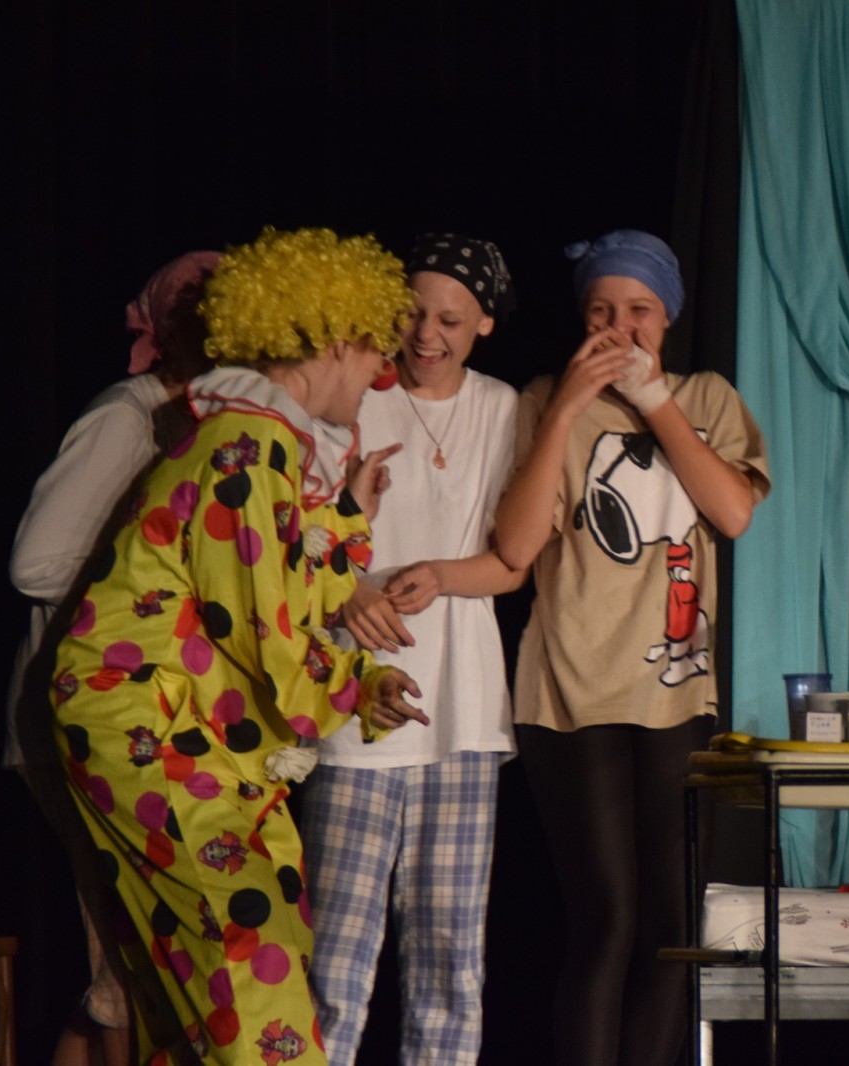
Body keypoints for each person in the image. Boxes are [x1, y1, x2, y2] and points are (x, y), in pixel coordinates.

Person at [49, 227, 429, 1065]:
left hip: (187, 721)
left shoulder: (258, 444)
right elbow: (265, 628)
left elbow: (281, 585)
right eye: (378, 350)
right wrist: (351, 683)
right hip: (145, 718)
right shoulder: (243, 448)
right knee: (249, 955)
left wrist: (357, 661)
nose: (384, 373)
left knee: (217, 971)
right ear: (339, 339)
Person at [494, 229, 770, 1066]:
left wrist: (655, 403)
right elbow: (515, 544)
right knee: (606, 921)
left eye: (639, 310)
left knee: (672, 927)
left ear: (668, 317)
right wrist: (566, 409)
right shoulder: (544, 398)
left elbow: (732, 512)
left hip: (676, 696)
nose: (620, 328)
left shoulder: (705, 396)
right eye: (601, 311)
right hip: (569, 696)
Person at [297, 233, 524, 1065]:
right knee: (335, 960)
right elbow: (295, 539)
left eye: (451, 321)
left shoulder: (503, 407)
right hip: (355, 708)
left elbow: (515, 560)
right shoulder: (353, 391)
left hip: (461, 714)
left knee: (450, 965)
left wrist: (441, 575)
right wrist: (350, 587)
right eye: (414, 315)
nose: (427, 335)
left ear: (485, 324)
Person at [9, 251, 220, 1066]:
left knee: (130, 961)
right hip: (80, 714)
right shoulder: (128, 416)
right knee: (126, 960)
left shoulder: (209, 420)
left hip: (145, 717)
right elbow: (35, 564)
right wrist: (149, 582)